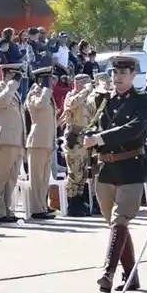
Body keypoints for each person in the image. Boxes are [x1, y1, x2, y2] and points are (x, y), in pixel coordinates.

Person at [86, 55, 147, 293]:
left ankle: (108, 272)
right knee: (115, 225)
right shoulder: (104, 99)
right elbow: (94, 126)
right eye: (114, 73)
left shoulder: (144, 100)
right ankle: (131, 275)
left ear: (133, 75)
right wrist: (86, 137)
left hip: (131, 167)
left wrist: (100, 138)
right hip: (106, 169)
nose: (117, 78)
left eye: (123, 74)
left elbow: (133, 128)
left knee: (120, 220)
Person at [0, 63, 26, 222]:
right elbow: (1, 102)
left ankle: (7, 210)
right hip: (4, 139)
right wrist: (11, 85)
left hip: (16, 141)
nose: (17, 80)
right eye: (15, 76)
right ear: (7, 75)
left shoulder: (13, 92)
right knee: (0, 177)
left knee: (11, 179)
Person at [60, 73, 98, 218]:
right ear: (79, 84)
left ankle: (80, 200)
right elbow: (72, 104)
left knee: (83, 173)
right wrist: (86, 90)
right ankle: (72, 202)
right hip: (74, 138)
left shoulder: (87, 99)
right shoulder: (72, 96)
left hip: (84, 138)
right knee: (74, 172)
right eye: (86, 83)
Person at [26, 66, 57, 219]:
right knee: (36, 178)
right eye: (48, 79)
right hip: (37, 141)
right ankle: (36, 209)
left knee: (44, 178)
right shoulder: (34, 93)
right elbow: (40, 105)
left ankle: (43, 206)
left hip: (47, 141)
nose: (51, 82)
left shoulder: (47, 95)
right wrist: (45, 89)